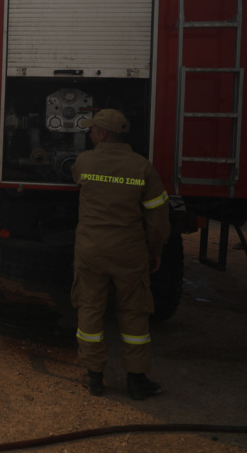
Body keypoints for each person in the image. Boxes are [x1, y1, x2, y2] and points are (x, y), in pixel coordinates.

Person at [71, 108, 170, 400]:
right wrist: (155, 250)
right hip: (129, 252)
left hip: (90, 250)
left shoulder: (84, 161)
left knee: (90, 308)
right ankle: (137, 381)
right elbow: (157, 217)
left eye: (92, 131)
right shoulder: (142, 167)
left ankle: (94, 377)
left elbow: (77, 179)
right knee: (134, 313)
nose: (89, 135)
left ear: (103, 134)